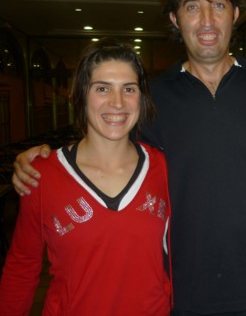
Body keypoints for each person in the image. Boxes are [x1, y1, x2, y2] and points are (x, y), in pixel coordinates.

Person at [12, 0, 246, 316]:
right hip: (187, 296)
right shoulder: (152, 100)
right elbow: (106, 139)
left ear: (235, 14)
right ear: (176, 19)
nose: (206, 20)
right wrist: (43, 158)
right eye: (192, 6)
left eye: (218, 4)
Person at [1, 38, 172, 315]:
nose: (117, 103)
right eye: (102, 88)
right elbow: (22, 266)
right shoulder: (41, 174)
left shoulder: (163, 168)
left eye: (128, 89)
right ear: (81, 94)